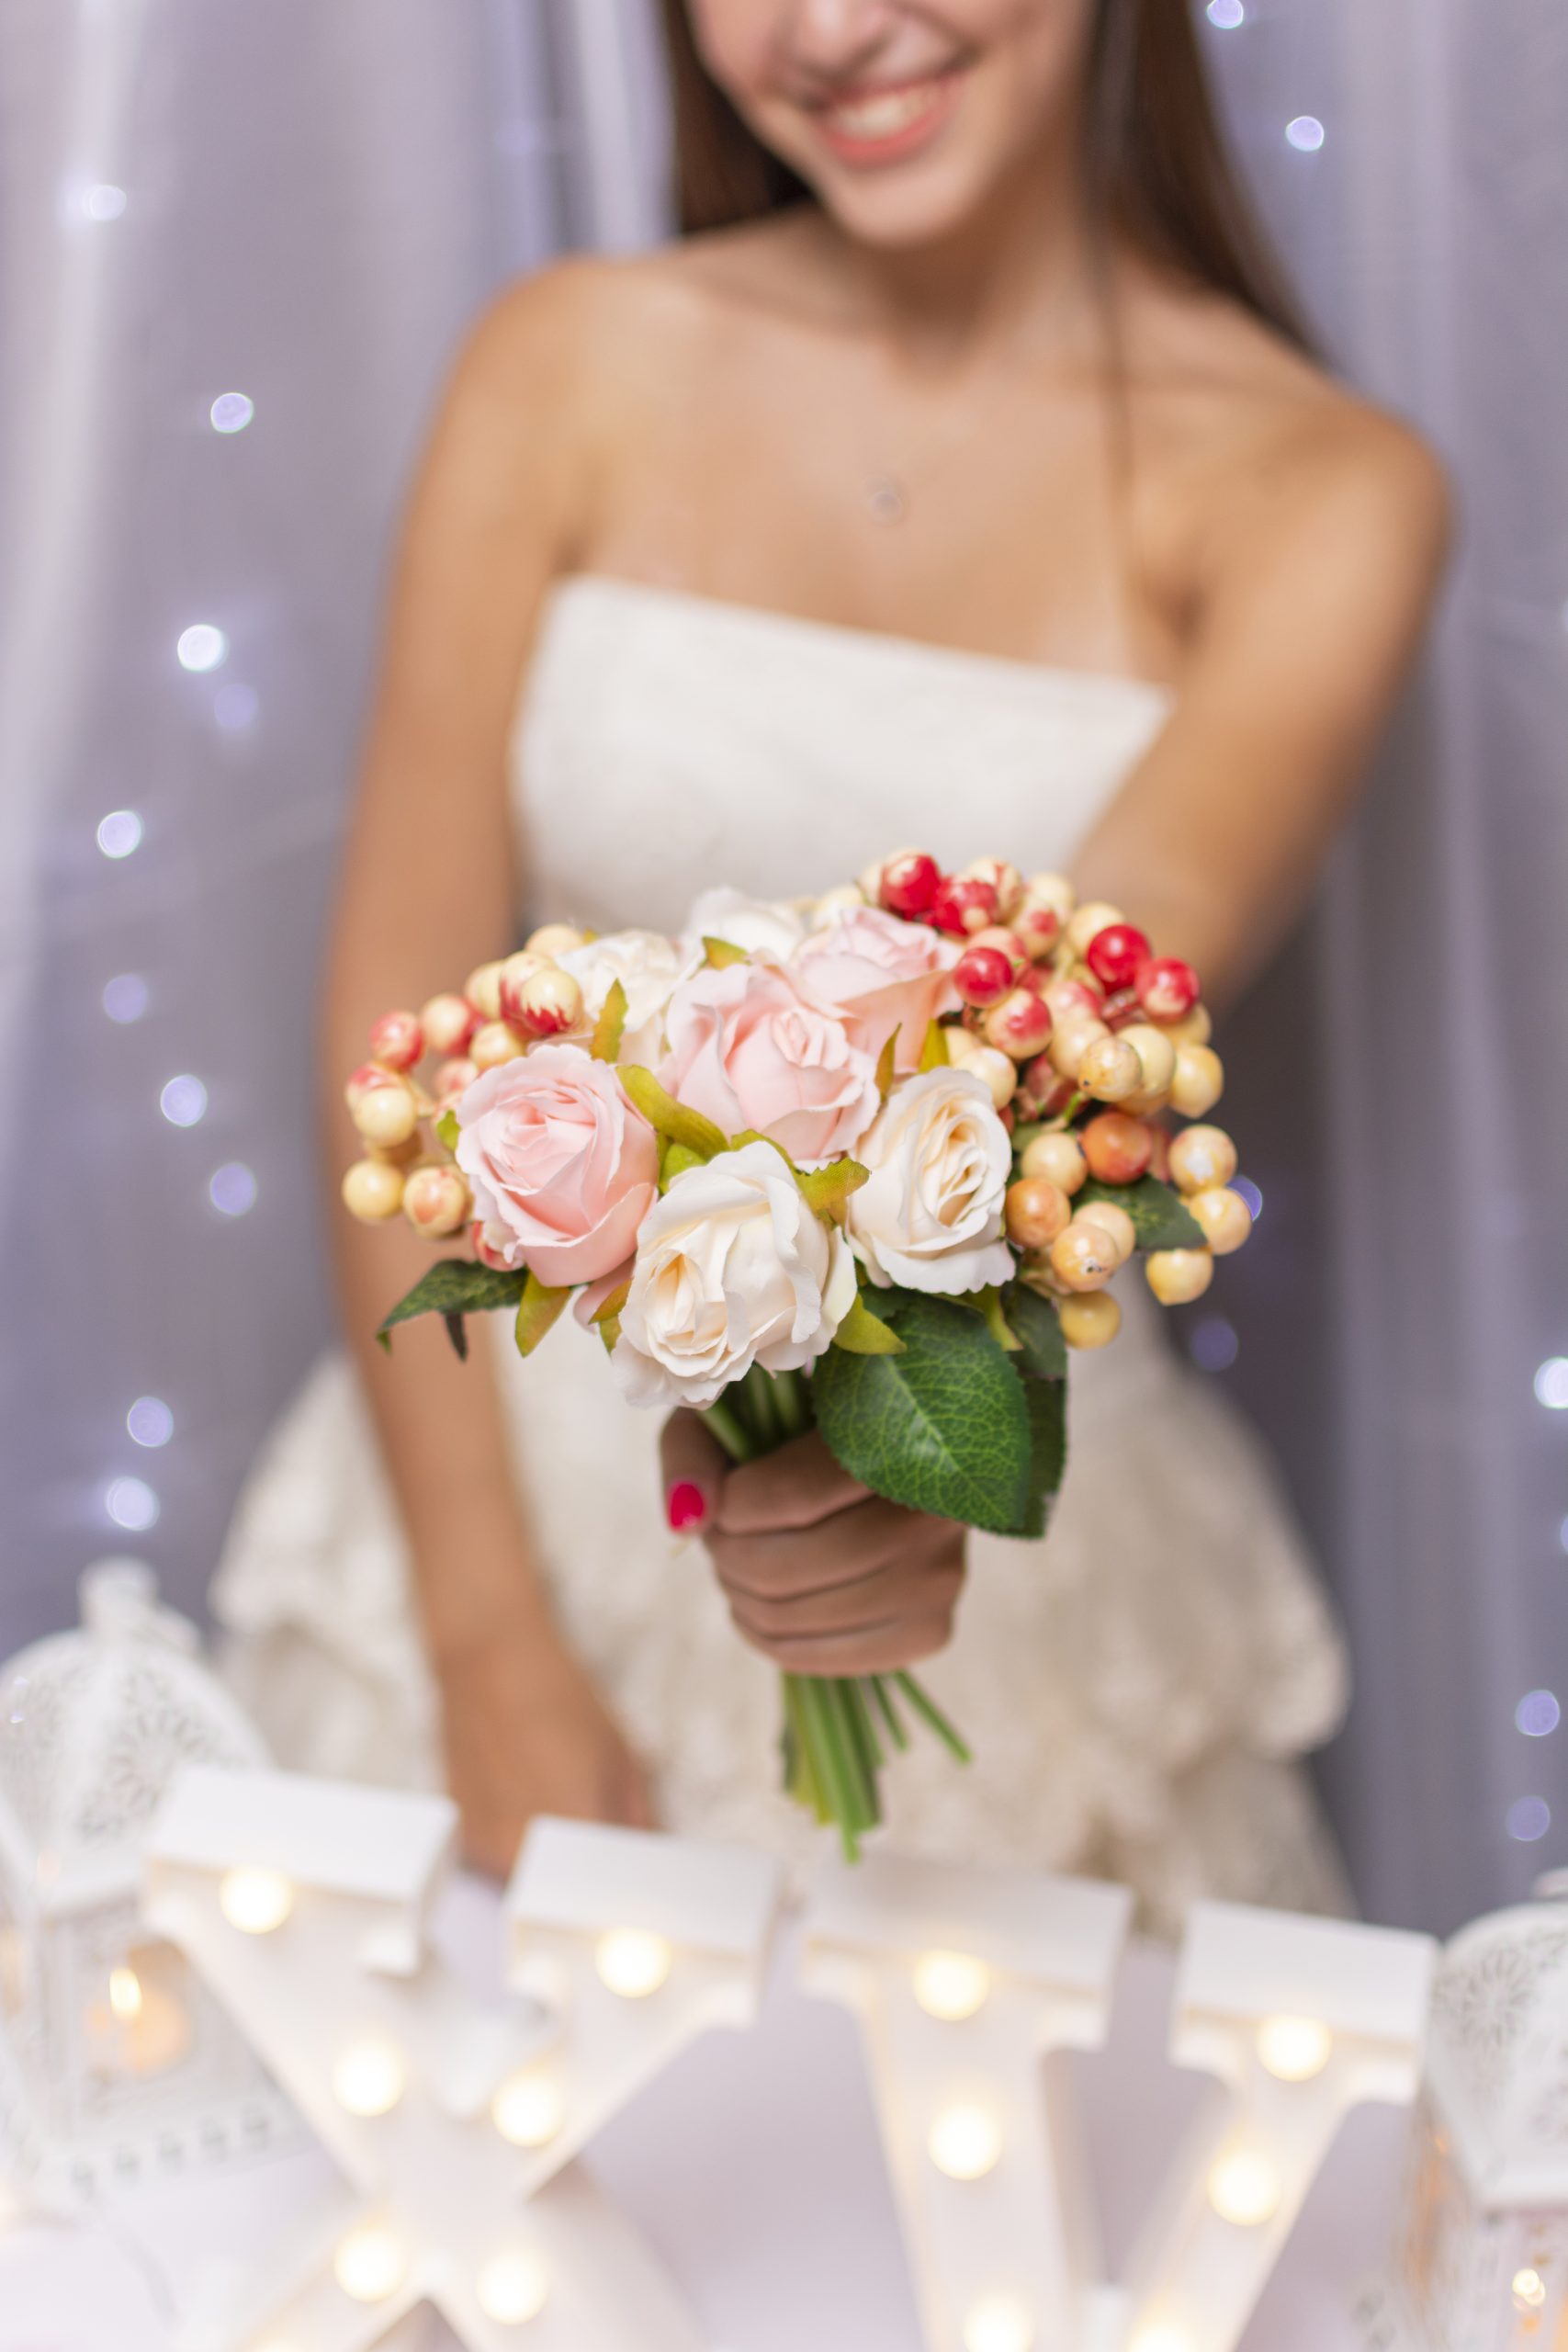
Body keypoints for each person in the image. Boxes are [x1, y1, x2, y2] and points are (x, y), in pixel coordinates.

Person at [213, 0, 1449, 1930]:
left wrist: (885, 1499)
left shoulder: (1324, 492)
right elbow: (401, 1033)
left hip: (1010, 1533)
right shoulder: (562, 366)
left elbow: (1054, 1080)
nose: (826, 28)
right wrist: (485, 1648)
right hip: (495, 1491)